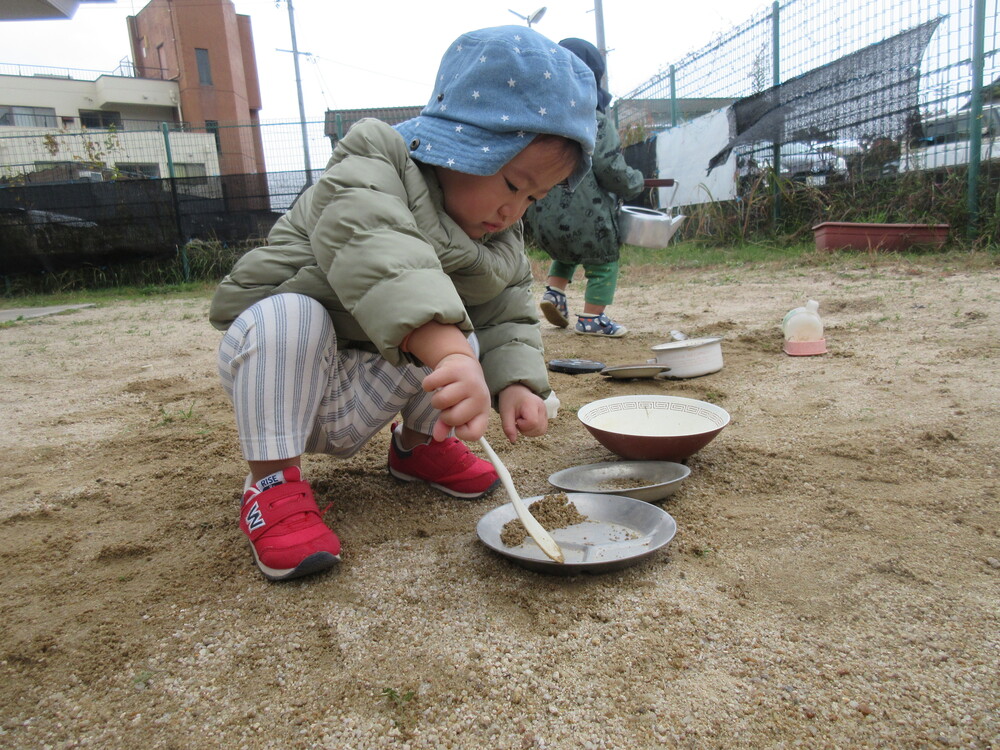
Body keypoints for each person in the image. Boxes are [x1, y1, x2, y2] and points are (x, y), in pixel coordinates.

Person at [208, 26, 598, 582]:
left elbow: (507, 314)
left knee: (466, 334)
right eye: (513, 183)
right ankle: (271, 484)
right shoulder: (374, 158)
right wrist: (452, 354)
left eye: (533, 197)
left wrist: (516, 383)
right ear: (463, 144)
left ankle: (418, 448)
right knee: (294, 316)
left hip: (370, 381)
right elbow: (377, 250)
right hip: (285, 375)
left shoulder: (497, 240)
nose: (514, 210)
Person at [524, 38, 644, 338]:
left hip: (543, 213)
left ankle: (554, 293)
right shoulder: (594, 120)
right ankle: (592, 318)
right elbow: (609, 167)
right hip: (588, 214)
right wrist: (635, 183)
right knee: (603, 261)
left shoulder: (537, 118)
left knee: (566, 251)